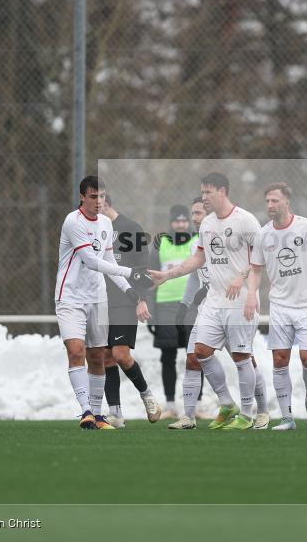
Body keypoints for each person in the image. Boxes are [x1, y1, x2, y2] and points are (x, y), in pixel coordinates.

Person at [150, 172, 269, 431]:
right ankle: (227, 404)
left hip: (240, 301)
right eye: (202, 192)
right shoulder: (207, 224)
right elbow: (198, 260)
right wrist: (168, 276)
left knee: (242, 357)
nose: (203, 197)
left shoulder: (246, 220)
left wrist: (245, 284)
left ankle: (249, 415)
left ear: (222, 191)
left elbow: (260, 259)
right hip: (214, 302)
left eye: (207, 192)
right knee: (200, 353)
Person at [56, 176, 153, 430]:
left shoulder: (106, 224)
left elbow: (111, 264)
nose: (98, 201)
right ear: (82, 197)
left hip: (98, 297)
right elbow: (91, 260)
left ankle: (98, 416)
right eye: (92, 196)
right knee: (76, 350)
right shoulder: (72, 221)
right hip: (70, 296)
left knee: (98, 356)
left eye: (101, 196)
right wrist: (132, 273)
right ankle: (86, 411)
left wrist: (130, 290)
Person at [246, 183, 307, 430]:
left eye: (274, 201)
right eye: (267, 201)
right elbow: (255, 271)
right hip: (280, 306)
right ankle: (287, 417)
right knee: (280, 359)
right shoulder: (263, 235)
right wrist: (252, 295)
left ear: (287, 201)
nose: (270, 206)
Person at [98, 195, 161, 427]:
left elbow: (142, 269)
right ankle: (116, 413)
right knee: (105, 356)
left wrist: (142, 299)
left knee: (120, 354)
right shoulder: (93, 229)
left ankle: (146, 395)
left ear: (106, 204)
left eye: (99, 206)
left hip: (125, 300)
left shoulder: (130, 228)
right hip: (100, 301)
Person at [167, 197, 215, 430]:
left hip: (232, 308)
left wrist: (207, 289)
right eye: (192, 214)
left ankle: (255, 411)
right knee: (194, 357)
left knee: (243, 359)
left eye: (197, 214)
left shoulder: (223, 237)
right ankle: (188, 416)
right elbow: (195, 274)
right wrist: (185, 305)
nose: (193, 219)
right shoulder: (199, 243)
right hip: (207, 311)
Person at [149, 204, 195, 419]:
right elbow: (150, 277)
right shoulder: (161, 242)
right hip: (165, 305)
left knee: (195, 355)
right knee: (168, 355)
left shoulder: (197, 241)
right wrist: (150, 307)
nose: (180, 224)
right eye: (177, 221)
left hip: (191, 306)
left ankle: (196, 403)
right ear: (171, 222)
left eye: (184, 220)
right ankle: (170, 404)